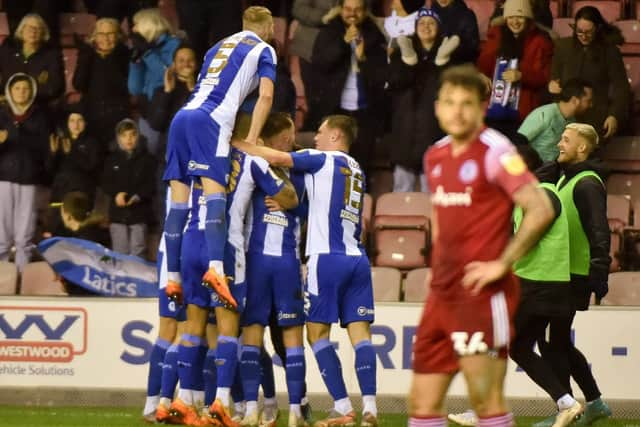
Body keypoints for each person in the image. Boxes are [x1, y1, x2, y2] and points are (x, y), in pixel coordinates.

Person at [407, 65, 554, 427]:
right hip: (442, 293)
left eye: (467, 103)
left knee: (484, 401)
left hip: (482, 294)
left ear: (482, 108)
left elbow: (540, 208)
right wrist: (436, 267)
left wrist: (501, 264)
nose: (457, 111)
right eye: (450, 102)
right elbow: (441, 216)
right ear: (438, 107)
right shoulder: (435, 156)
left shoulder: (496, 151)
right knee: (422, 404)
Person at [234, 114, 378, 427]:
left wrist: (237, 142)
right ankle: (369, 408)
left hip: (325, 258)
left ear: (337, 136)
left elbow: (274, 157)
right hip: (357, 258)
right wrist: (295, 203)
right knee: (361, 336)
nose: (315, 137)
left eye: (322, 132)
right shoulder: (357, 169)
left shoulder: (319, 158)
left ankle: (340, 406)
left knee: (315, 335)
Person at [161, 6, 276, 313]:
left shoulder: (216, 47)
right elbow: (265, 96)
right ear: (268, 27)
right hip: (211, 121)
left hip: (182, 116)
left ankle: (173, 278)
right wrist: (252, 138)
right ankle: (215, 268)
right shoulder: (264, 49)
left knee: (179, 203)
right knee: (216, 198)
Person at [201, 113, 298, 427]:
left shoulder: (207, 158)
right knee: (243, 333)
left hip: (199, 244)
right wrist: (284, 198)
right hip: (237, 252)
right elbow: (289, 196)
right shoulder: (254, 162)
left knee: (212, 330)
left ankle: (220, 403)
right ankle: (233, 403)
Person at [534, 123, 612, 427]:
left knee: (552, 343)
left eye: (566, 140)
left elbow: (599, 230)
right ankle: (593, 403)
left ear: (583, 148)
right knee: (558, 342)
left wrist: (599, 271)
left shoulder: (587, 184)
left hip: (573, 276)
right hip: (561, 274)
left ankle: (567, 411)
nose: (559, 144)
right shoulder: (568, 178)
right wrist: (553, 167)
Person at [241, 112, 309, 427]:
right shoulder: (287, 168)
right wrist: (290, 200)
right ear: (279, 137)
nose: (293, 139)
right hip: (281, 263)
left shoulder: (253, 166)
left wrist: (288, 200)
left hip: (261, 262)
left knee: (255, 336)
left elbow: (303, 206)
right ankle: (288, 410)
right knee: (283, 338)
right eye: (290, 134)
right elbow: (300, 204)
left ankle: (264, 410)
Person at [310, 0, 388, 180]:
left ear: (365, 11)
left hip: (366, 112)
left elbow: (382, 75)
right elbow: (321, 64)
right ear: (340, 9)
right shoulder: (329, 31)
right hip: (334, 110)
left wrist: (363, 58)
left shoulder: (374, 34)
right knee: (331, 164)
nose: (352, 13)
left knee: (361, 167)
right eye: (348, 9)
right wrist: (344, 44)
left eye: (358, 9)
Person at [388, 7, 448, 192]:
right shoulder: (402, 52)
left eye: (431, 23)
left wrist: (440, 63)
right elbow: (395, 82)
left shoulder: (449, 55)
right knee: (401, 193)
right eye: (421, 23)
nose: (426, 27)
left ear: (439, 28)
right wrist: (409, 62)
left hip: (434, 131)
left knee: (431, 197)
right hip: (404, 130)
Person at [549, 6, 630, 139]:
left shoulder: (609, 51)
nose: (583, 36)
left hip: (596, 117)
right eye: (579, 31)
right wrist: (551, 85)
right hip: (566, 115)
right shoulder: (563, 47)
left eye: (588, 32)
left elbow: (621, 88)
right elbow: (553, 78)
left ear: (597, 29)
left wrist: (614, 115)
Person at [477, 0, 553, 140]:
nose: (515, 21)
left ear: (528, 18)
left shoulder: (540, 41)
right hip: (495, 107)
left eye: (520, 17)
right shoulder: (497, 36)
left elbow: (543, 77)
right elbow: (483, 66)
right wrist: (481, 75)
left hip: (522, 110)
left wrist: (522, 75)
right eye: (511, 17)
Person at [0, 73, 50, 271]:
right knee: (1, 235)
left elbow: (43, 148)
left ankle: (22, 278)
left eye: (25, 88)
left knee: (25, 236)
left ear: (32, 92)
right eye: (17, 88)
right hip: (3, 178)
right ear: (10, 91)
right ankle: (2, 280)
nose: (21, 92)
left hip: (29, 178)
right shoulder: (1, 114)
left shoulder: (40, 116)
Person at [127, 8, 181, 156]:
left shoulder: (174, 44)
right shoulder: (143, 49)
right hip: (148, 113)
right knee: (148, 159)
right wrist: (135, 63)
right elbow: (134, 89)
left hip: (169, 110)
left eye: (136, 24)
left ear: (148, 25)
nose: (133, 29)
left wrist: (148, 53)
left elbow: (168, 76)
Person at [101, 118, 156, 257]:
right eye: (124, 135)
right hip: (118, 214)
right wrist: (116, 194)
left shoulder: (147, 159)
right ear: (118, 138)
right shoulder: (111, 159)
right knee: (120, 254)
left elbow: (151, 184)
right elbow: (105, 183)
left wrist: (138, 196)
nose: (129, 139)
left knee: (138, 252)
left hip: (139, 213)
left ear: (138, 136)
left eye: (132, 134)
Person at [73, 17, 130, 150]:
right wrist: (84, 57)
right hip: (91, 115)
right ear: (95, 37)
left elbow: (124, 86)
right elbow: (78, 84)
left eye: (110, 34)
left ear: (118, 36)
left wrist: (111, 57)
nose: (106, 38)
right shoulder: (88, 55)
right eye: (101, 34)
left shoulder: (124, 55)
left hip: (117, 116)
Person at [518, 79, 593, 162]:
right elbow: (517, 143)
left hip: (551, 170)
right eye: (588, 101)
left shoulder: (573, 122)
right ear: (575, 101)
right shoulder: (544, 114)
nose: (591, 105)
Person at [0, 13, 64, 107]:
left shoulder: (52, 56)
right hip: (6, 105)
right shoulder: (7, 51)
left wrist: (26, 97)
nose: (33, 31)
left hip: (37, 106)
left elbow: (56, 87)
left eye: (37, 28)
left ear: (43, 33)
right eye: (29, 27)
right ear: (21, 31)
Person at [429, 0, 480, 65]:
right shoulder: (430, 14)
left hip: (456, 66)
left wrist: (449, 49)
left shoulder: (466, 15)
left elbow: (472, 48)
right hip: (432, 63)